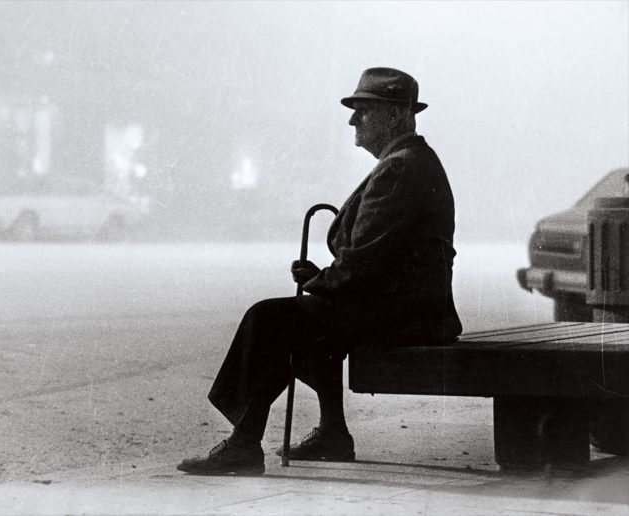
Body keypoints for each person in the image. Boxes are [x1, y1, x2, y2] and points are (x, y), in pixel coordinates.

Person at [177, 67, 462, 475]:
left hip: (405, 314)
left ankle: (245, 442)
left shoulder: (399, 167)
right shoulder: (412, 160)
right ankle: (332, 433)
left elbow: (363, 263)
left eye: (364, 110)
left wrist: (318, 280)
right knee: (312, 320)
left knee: (269, 318)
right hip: (413, 308)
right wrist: (323, 280)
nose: (353, 120)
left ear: (395, 115)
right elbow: (380, 257)